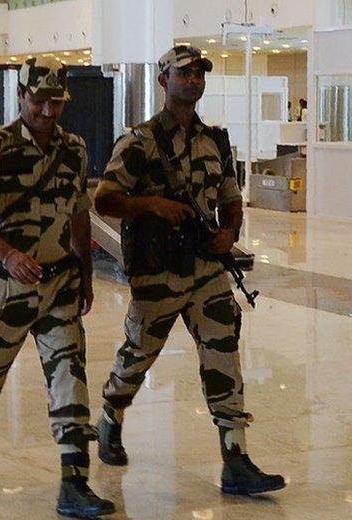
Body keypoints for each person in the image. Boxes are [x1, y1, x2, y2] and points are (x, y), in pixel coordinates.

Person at [93, 45, 286, 496]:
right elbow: (104, 199)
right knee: (139, 354)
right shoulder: (139, 142)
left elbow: (230, 196)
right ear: (164, 81)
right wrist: (151, 205)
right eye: (184, 73)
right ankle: (110, 417)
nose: (194, 80)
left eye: (199, 73)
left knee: (223, 354)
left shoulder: (215, 140)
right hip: (158, 272)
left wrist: (229, 231)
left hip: (205, 269)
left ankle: (235, 456)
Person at [0, 57, 116, 519]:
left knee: (70, 374)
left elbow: (80, 211)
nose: (47, 111)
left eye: (56, 102)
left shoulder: (74, 148)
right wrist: (8, 254)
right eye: (39, 100)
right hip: (3, 287)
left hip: (58, 282)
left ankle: (74, 480)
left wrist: (84, 270)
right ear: (21, 95)